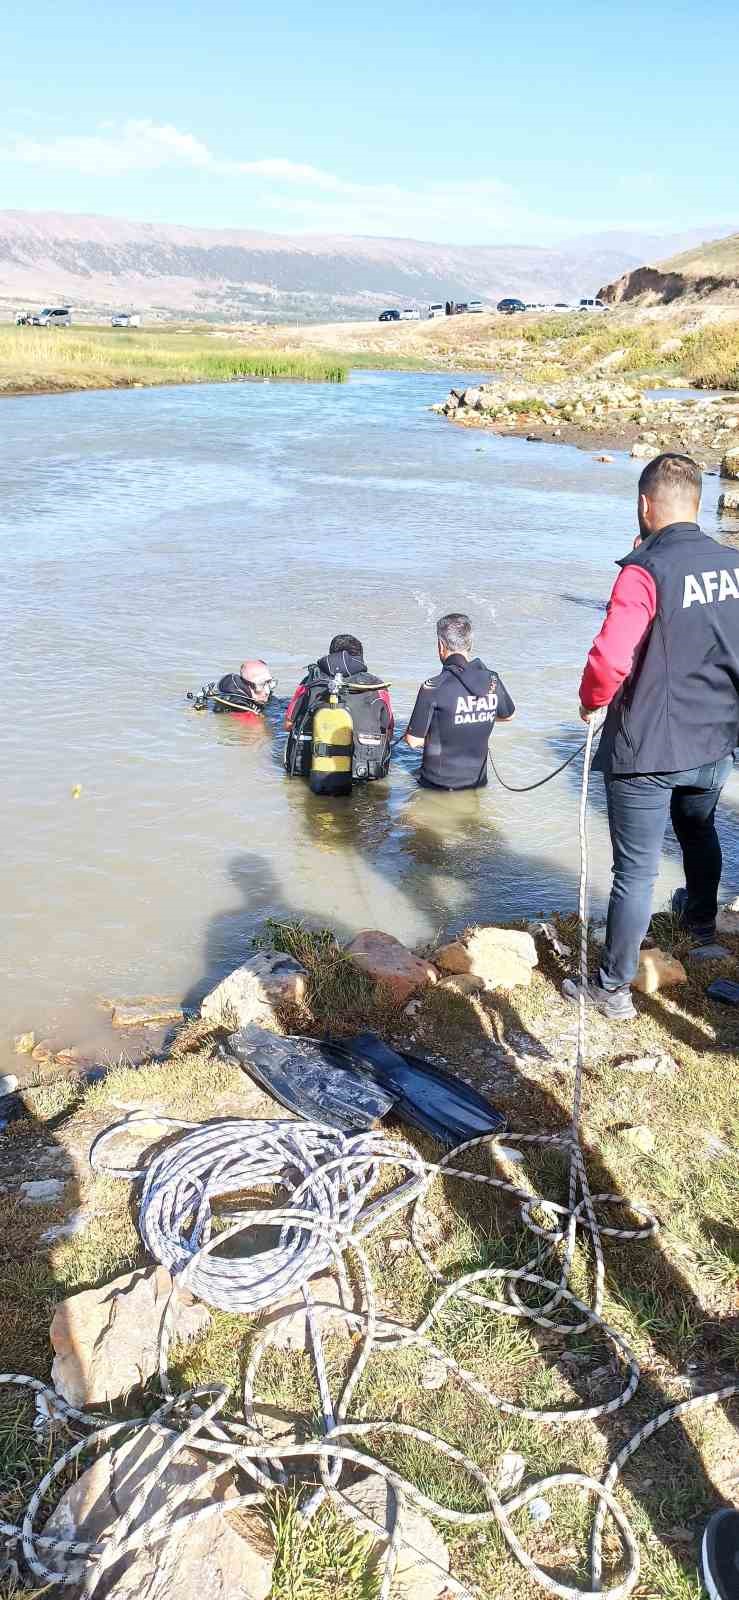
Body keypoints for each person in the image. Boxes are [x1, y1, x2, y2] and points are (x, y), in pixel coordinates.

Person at [566, 451, 739, 1022]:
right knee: (699, 830)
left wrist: (591, 702)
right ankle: (701, 928)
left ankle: (612, 988)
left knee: (635, 869)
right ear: (696, 504)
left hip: (648, 745)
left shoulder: (644, 571)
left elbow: (611, 656)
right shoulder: (734, 565)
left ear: (645, 506)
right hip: (715, 738)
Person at [403, 612, 515, 790]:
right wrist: (471, 720)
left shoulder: (432, 687)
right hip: (477, 782)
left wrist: (452, 727)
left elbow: (413, 740)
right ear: (470, 643)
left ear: (441, 645)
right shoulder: (492, 680)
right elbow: (508, 716)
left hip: (437, 784)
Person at [284, 633, 394, 782]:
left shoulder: (309, 682)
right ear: (360, 658)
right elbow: (389, 731)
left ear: (330, 656)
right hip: (363, 772)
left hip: (310, 769)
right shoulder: (378, 687)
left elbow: (288, 724)